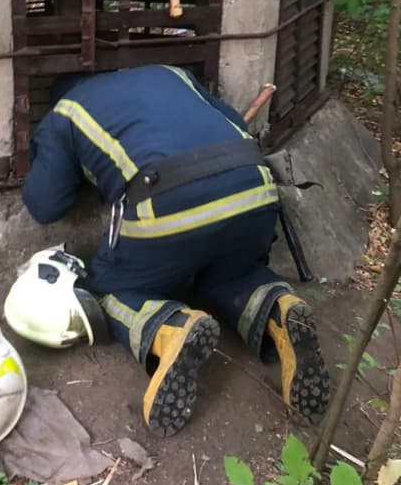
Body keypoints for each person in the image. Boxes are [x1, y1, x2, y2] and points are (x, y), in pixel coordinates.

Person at [21, 64, 330, 436]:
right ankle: (279, 308)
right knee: (230, 273)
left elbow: (44, 205)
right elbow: (235, 121)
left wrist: (50, 154)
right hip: (255, 188)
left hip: (165, 204)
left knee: (107, 288)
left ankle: (171, 328)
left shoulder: (66, 111)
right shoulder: (171, 73)